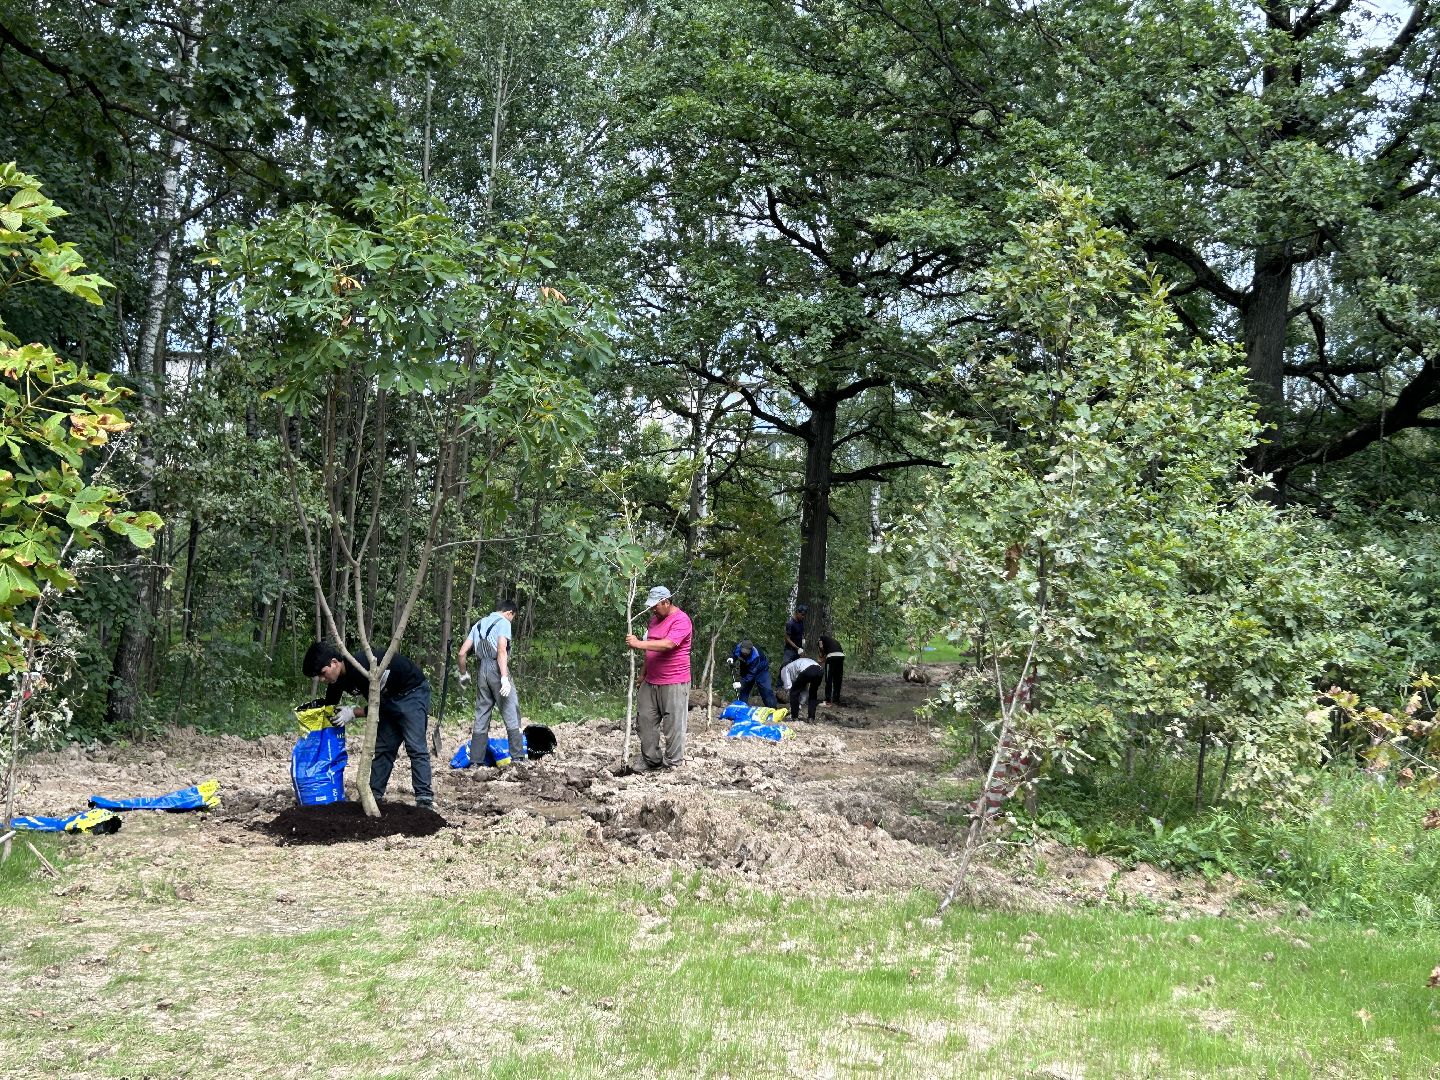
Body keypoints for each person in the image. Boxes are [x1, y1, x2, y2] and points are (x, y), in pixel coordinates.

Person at [302, 641, 433, 808]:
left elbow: (378, 705)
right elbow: (329, 705)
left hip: (410, 692)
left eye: (322, 673)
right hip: (387, 699)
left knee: (415, 747)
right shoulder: (337, 679)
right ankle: (373, 796)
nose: (322, 679)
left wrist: (353, 713)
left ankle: (424, 800)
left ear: (334, 662)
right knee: (384, 747)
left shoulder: (363, 668)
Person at [626, 585, 693, 770]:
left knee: (673, 726)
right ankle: (652, 760)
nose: (653, 609)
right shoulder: (654, 620)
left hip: (674, 681)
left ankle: (673, 763)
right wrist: (642, 674)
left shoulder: (681, 620)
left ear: (667, 602)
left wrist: (638, 643)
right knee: (644, 721)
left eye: (655, 605)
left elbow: (668, 644)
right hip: (651, 680)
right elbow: (651, 649)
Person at [456, 597, 525, 768]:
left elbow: (462, 653)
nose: (511, 620)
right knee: (511, 709)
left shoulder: (479, 624)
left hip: (482, 671)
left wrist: (463, 674)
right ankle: (517, 759)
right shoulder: (504, 622)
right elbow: (502, 650)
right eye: (512, 617)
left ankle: (475, 761)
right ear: (509, 613)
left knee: (482, 713)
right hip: (497, 667)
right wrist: (504, 678)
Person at [731, 639, 778, 708]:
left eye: (746, 652)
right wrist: (731, 658)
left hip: (761, 671)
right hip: (746, 669)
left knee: (766, 690)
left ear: (751, 650)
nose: (744, 653)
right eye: (743, 651)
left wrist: (741, 683)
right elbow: (734, 653)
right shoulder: (738, 647)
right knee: (744, 690)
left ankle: (773, 710)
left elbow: (751, 675)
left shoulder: (755, 656)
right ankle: (741, 708)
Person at [779, 652, 824, 722]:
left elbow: (788, 687)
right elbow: (804, 691)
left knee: (793, 692)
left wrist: (791, 695)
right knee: (813, 695)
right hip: (820, 671)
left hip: (808, 670)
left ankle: (794, 717)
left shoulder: (784, 669)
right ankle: (811, 718)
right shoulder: (796, 664)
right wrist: (800, 704)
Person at [816, 630, 845, 707]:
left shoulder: (820, 639)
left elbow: (822, 648)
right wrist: (822, 660)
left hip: (832, 657)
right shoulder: (832, 642)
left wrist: (821, 655)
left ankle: (827, 701)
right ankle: (836, 700)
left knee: (829, 678)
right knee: (838, 678)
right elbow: (829, 653)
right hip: (841, 656)